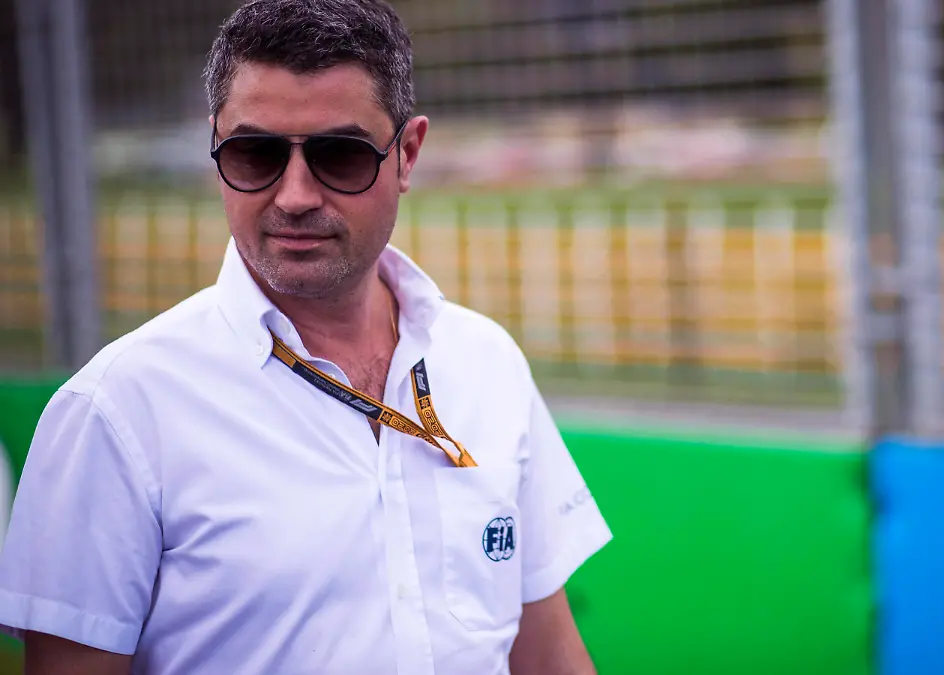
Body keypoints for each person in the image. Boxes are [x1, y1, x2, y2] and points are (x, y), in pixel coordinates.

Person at [0, 1, 612, 673]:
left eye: (339, 156)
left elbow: (549, 652)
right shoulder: (116, 410)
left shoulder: (486, 360)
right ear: (216, 151)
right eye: (254, 153)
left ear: (407, 154)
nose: (293, 195)